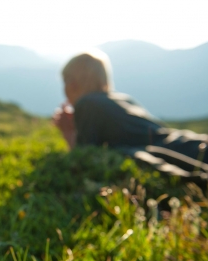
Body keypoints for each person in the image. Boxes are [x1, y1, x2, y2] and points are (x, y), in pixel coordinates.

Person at [53, 50, 208, 181]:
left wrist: (68, 132)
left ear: (72, 84)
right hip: (188, 144)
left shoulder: (86, 103)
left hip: (181, 155)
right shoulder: (121, 98)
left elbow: (85, 158)